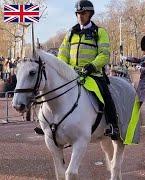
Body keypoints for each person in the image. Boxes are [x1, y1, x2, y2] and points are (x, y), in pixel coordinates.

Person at [34, 0, 120, 140]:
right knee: (50, 91)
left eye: (83, 13)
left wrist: (92, 66)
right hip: (71, 73)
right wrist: (63, 67)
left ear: (90, 14)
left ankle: (112, 125)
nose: (80, 16)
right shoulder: (70, 33)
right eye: (78, 13)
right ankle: (46, 124)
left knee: (106, 94)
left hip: (93, 73)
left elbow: (104, 54)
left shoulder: (100, 32)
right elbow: (63, 52)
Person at [121, 36, 145, 116]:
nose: (143, 52)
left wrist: (141, 68)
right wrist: (126, 58)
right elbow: (137, 60)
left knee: (140, 96)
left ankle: (134, 112)